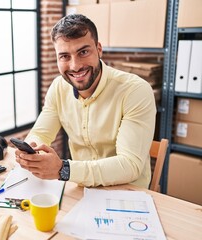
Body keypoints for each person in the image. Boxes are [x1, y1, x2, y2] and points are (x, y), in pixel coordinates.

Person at [15, 14, 156, 188]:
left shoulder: (135, 90)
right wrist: (30, 151)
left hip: (127, 192)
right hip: (82, 189)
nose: (75, 66)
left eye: (83, 52)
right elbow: (40, 134)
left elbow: (129, 165)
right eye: (64, 56)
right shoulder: (58, 87)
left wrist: (63, 169)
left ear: (99, 49)